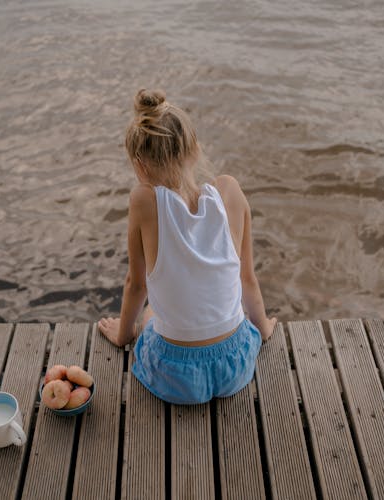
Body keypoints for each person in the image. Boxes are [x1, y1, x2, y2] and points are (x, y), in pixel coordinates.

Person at [98, 88, 277, 405]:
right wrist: (261, 330)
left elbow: (136, 284)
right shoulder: (230, 190)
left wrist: (123, 335)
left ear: (139, 165)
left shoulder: (144, 200)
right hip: (235, 365)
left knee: (153, 306)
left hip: (176, 377)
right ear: (195, 149)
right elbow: (247, 278)